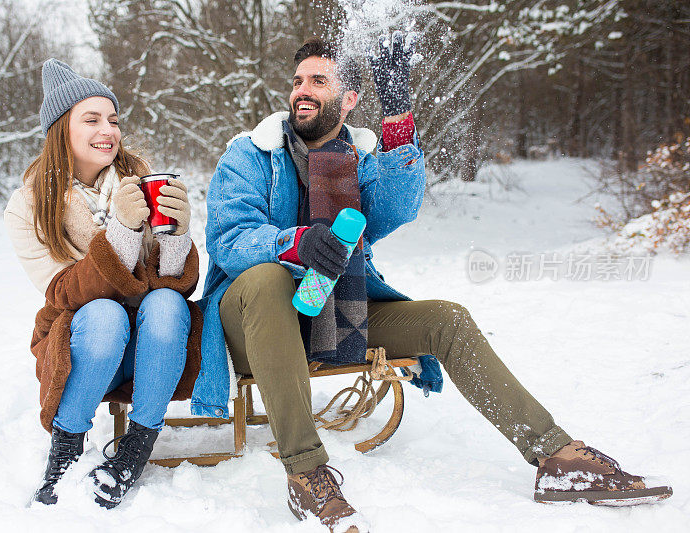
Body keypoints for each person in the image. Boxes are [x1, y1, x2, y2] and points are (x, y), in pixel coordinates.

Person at [196, 35, 672, 532]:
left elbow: (398, 208)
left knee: (446, 320)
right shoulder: (252, 154)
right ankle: (307, 474)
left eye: (319, 80)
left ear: (350, 98)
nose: (302, 91)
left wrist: (399, 112)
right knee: (270, 278)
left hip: (336, 313)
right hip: (251, 318)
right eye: (297, 82)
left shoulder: (357, 161)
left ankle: (555, 456)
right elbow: (229, 239)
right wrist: (295, 243)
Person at [4, 59, 202, 509]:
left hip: (153, 349)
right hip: (86, 350)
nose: (108, 130)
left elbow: (173, 283)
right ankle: (67, 447)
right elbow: (61, 292)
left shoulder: (139, 178)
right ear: (61, 130)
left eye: (113, 119)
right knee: (104, 313)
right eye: (91, 119)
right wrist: (121, 233)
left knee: (171, 305)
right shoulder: (28, 205)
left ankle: (137, 446)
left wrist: (178, 233)